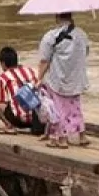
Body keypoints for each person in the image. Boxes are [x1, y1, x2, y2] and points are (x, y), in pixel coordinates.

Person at [36, 12, 91, 148]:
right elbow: (86, 53)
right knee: (75, 107)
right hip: (76, 79)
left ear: (57, 17)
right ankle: (81, 135)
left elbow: (44, 60)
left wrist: (38, 78)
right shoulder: (82, 35)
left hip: (58, 79)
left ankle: (61, 138)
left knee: (58, 108)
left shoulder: (51, 36)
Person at [0, 46, 44, 135]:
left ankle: (9, 126)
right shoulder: (31, 71)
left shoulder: (3, 77)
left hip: (20, 121)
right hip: (38, 119)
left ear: (3, 63)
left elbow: (2, 102)